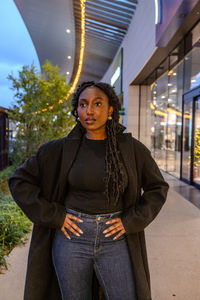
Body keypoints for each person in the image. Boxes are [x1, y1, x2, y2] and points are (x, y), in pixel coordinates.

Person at [9, 81, 169, 300]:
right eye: (83, 105)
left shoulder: (131, 149)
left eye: (97, 103)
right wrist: (55, 216)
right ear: (77, 109)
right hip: (71, 240)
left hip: (116, 239)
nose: (89, 111)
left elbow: (157, 188)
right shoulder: (59, 149)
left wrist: (130, 221)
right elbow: (19, 180)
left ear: (110, 108)